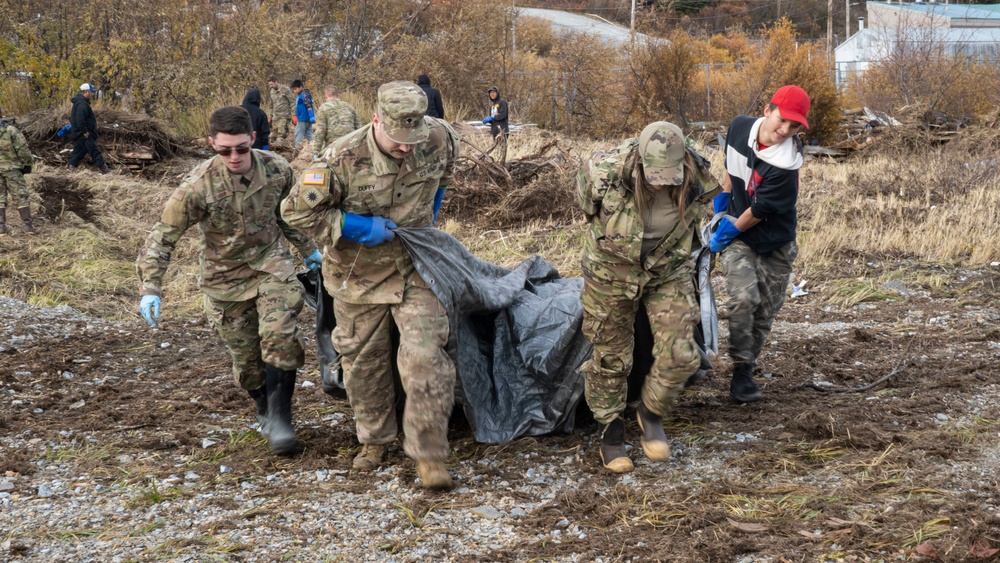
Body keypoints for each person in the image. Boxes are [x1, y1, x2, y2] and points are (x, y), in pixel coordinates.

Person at [281, 80, 460, 490]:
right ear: (376, 119)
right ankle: (375, 440)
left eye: (413, 139)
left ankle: (429, 452)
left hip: (417, 267)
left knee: (426, 354)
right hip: (356, 273)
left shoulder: (440, 138)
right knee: (364, 362)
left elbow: (444, 176)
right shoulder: (339, 158)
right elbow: (295, 213)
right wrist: (354, 226)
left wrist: (427, 219)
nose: (406, 147)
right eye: (398, 140)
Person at [136, 106, 322, 456]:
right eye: (224, 150)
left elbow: (288, 217)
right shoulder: (197, 186)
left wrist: (310, 250)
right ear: (212, 144)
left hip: (271, 266)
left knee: (280, 336)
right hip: (224, 278)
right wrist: (151, 288)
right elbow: (163, 236)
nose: (234, 157)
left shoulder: (278, 169)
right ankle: (264, 406)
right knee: (249, 364)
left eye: (240, 148)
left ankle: (282, 420)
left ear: (253, 138)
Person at [578, 121, 721, 474]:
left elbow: (702, 216)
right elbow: (586, 209)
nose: (661, 181)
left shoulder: (697, 176)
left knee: (681, 353)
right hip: (611, 270)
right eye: (654, 174)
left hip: (665, 271)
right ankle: (611, 431)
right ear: (640, 162)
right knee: (611, 356)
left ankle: (650, 412)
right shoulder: (605, 171)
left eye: (669, 175)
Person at [709, 85, 810, 404]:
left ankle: (744, 370)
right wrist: (725, 195)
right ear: (767, 110)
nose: (785, 131)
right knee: (743, 298)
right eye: (782, 120)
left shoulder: (786, 165)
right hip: (740, 234)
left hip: (774, 241)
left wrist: (726, 231)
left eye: (794, 126)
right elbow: (730, 160)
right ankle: (740, 373)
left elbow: (759, 211)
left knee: (764, 311)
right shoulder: (739, 126)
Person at [0, 108, 35, 235]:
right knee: (21, 196)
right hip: (13, 170)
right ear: (1, 115)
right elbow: (22, 149)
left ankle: (1, 228)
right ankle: (27, 226)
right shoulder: (11, 131)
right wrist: (27, 164)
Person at [68, 83, 110, 174]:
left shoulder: (79, 103)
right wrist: (85, 131)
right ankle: (105, 171)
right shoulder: (82, 104)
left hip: (79, 133)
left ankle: (71, 169)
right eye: (91, 92)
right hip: (84, 134)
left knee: (78, 152)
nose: (92, 94)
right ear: (86, 92)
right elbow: (80, 119)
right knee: (94, 151)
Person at [312, 85, 361, 156]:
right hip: (351, 146)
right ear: (337, 95)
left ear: (325, 96)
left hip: (333, 148)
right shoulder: (349, 106)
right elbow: (359, 128)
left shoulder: (323, 108)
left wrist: (316, 151)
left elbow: (320, 131)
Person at [267, 75, 296, 142]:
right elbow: (271, 106)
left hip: (284, 117)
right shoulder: (272, 91)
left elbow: (292, 103)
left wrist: (294, 115)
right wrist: (270, 117)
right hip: (275, 118)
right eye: (269, 84)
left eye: (271, 84)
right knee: (272, 137)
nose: (270, 86)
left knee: (281, 136)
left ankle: (284, 151)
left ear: (276, 82)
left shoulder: (285, 90)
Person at [290, 79, 315, 149]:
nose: (294, 91)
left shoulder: (304, 94)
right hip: (306, 118)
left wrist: (311, 115)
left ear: (301, 87)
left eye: (295, 89)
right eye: (293, 89)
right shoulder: (302, 94)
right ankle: (314, 146)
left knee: (298, 133)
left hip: (303, 118)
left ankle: (297, 148)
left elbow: (308, 104)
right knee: (309, 134)